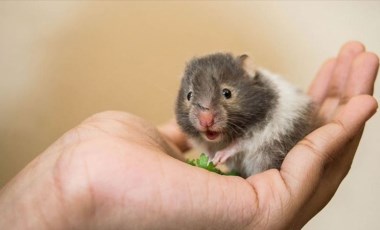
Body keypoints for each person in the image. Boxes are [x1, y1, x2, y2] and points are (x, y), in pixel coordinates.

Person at [0, 41, 378, 229]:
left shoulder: (268, 100)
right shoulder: (194, 119)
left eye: (225, 96)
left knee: (262, 154)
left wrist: (239, 147)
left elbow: (257, 128)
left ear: (247, 78)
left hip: (267, 137)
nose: (206, 116)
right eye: (193, 99)